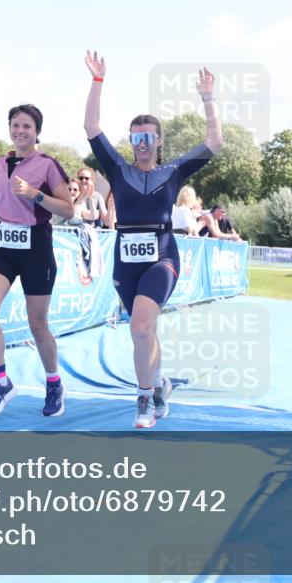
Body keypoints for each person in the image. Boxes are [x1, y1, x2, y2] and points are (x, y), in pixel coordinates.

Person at [84, 50, 222, 428]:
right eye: (136, 137)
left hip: (162, 256)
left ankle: (144, 399)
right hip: (125, 261)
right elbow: (92, 126)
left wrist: (208, 99)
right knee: (145, 330)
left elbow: (214, 141)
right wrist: (97, 82)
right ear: (130, 141)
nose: (142, 142)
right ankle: (159, 383)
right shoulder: (116, 169)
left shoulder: (173, 172)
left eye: (148, 137)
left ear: (159, 141)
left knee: (141, 326)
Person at [0, 104, 76, 418]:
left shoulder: (47, 165)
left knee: (38, 325)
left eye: (26, 126)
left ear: (37, 131)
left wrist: (34, 194)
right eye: (15, 125)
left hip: (36, 247)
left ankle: (54, 383)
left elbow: (68, 210)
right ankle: (1, 383)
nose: (20, 131)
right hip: (3, 244)